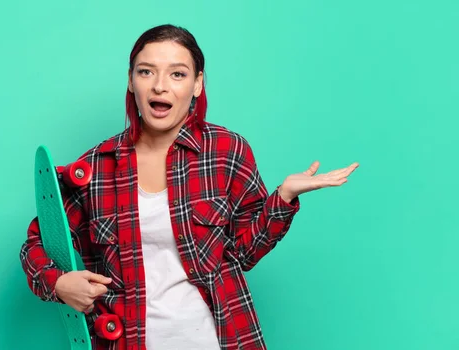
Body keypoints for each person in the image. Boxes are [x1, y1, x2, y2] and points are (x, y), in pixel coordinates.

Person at [20, 24, 358, 350]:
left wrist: (284, 197)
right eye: (146, 72)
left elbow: (244, 253)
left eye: (177, 74)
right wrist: (60, 284)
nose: (160, 87)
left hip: (218, 340)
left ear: (197, 84)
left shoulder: (227, 151)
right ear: (130, 80)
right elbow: (37, 244)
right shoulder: (96, 167)